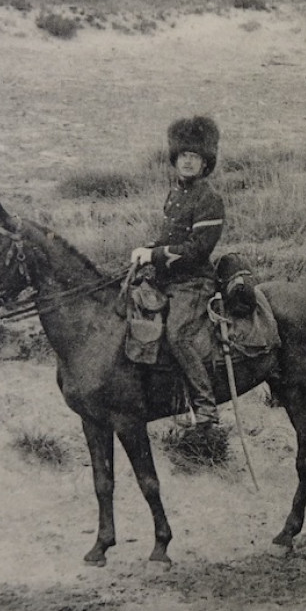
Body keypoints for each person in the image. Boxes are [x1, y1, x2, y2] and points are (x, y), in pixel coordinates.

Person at [130, 115, 226, 432]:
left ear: (205, 162)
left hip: (194, 282)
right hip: (168, 277)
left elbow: (198, 249)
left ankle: (205, 407)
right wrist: (146, 250)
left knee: (177, 335)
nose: (187, 161)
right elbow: (169, 239)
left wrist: (156, 255)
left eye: (194, 156)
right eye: (183, 155)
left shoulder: (209, 198)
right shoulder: (175, 193)